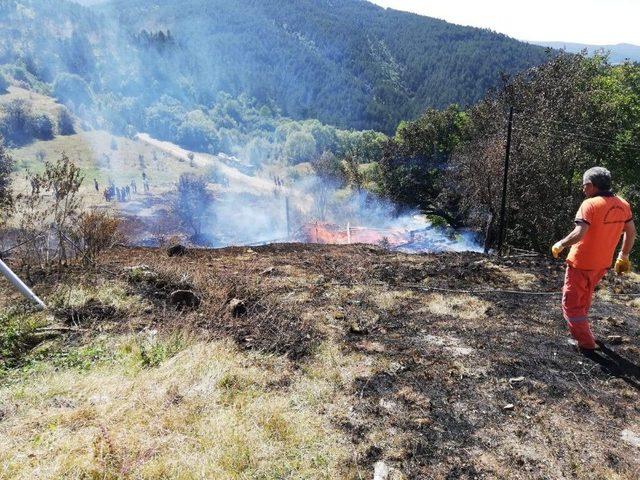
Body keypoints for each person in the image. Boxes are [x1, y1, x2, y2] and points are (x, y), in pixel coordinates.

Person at [552, 167, 636, 350]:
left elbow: (579, 233)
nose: (583, 190)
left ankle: (585, 341)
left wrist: (561, 244)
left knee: (571, 303)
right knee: (584, 298)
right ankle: (584, 331)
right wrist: (623, 255)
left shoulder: (589, 204)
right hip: (602, 264)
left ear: (591, 185)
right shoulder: (623, 204)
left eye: (584, 186)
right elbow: (631, 232)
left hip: (580, 262)